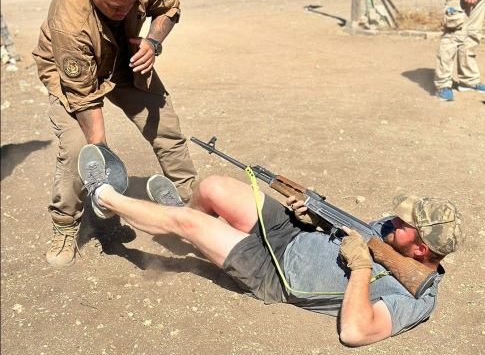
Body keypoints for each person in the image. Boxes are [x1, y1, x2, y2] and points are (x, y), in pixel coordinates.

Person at [78, 144, 464, 347]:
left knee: (190, 221)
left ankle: (105, 196)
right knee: (211, 186)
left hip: (273, 272)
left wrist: (361, 267)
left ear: (420, 250)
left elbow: (356, 332)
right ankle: (181, 230)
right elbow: (345, 229)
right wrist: (313, 214)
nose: (394, 221)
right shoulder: (393, 233)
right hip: (289, 233)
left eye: (405, 225)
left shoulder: (416, 297)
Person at [32, 0, 197, 267]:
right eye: (114, 6)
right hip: (72, 71)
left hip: (126, 60)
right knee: (78, 148)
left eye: (129, 4)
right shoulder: (70, 19)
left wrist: (153, 43)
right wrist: (102, 154)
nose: (124, 11)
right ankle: (65, 225)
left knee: (166, 127)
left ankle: (191, 204)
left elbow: (169, 8)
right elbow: (84, 98)